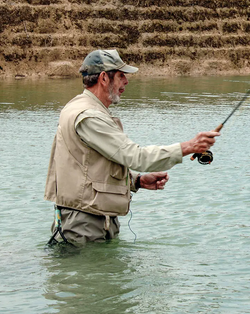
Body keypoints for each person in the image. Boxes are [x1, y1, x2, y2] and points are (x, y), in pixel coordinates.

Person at [44, 49, 220, 245]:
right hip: (85, 224)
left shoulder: (80, 107)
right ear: (103, 78)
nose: (126, 82)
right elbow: (135, 156)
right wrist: (189, 147)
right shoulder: (90, 116)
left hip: (90, 220)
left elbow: (89, 166)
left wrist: (136, 181)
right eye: (121, 76)